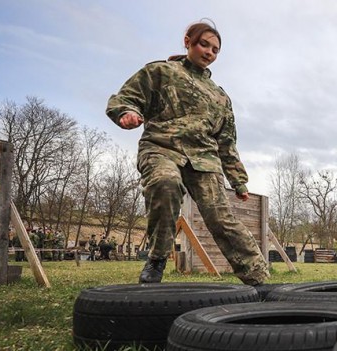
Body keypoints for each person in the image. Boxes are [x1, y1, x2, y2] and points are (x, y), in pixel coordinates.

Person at [105, 21, 269, 286]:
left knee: (221, 219)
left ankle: (259, 279)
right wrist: (127, 113)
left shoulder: (219, 97)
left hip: (204, 161)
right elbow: (125, 97)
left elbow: (226, 141)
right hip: (162, 148)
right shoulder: (161, 72)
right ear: (188, 41)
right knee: (166, 184)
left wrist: (238, 180)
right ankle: (157, 259)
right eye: (204, 44)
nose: (209, 53)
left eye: (215, 50)